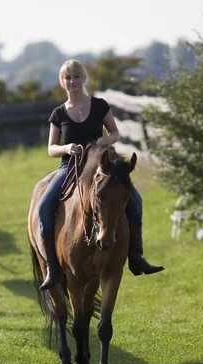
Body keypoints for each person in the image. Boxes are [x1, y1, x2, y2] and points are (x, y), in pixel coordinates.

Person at [37, 59, 164, 290]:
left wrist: (104, 141)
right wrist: (67, 148)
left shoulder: (99, 105)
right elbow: (51, 148)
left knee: (135, 200)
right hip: (70, 166)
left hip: (101, 166)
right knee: (44, 207)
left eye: (76, 76)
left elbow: (114, 132)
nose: (72, 81)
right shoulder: (58, 113)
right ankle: (53, 269)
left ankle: (136, 256)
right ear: (62, 82)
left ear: (83, 78)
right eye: (67, 78)